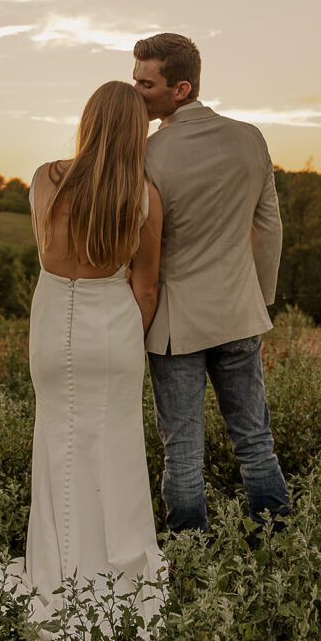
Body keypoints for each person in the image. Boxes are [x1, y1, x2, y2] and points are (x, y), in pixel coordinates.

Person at [0, 81, 166, 641]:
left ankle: (56, 570)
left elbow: (45, 249)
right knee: (113, 446)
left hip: (51, 323)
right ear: (137, 132)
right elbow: (146, 286)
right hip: (111, 327)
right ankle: (116, 575)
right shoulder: (144, 197)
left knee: (56, 443)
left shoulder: (44, 179)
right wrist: (124, 338)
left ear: (87, 122)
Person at [132, 33, 290, 536]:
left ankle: (189, 563)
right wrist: (257, 297)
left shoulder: (149, 154)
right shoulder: (251, 138)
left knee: (182, 453)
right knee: (255, 441)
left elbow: (143, 247)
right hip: (240, 313)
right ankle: (279, 548)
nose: (136, 92)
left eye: (145, 83)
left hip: (177, 327)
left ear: (180, 88)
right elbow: (269, 227)